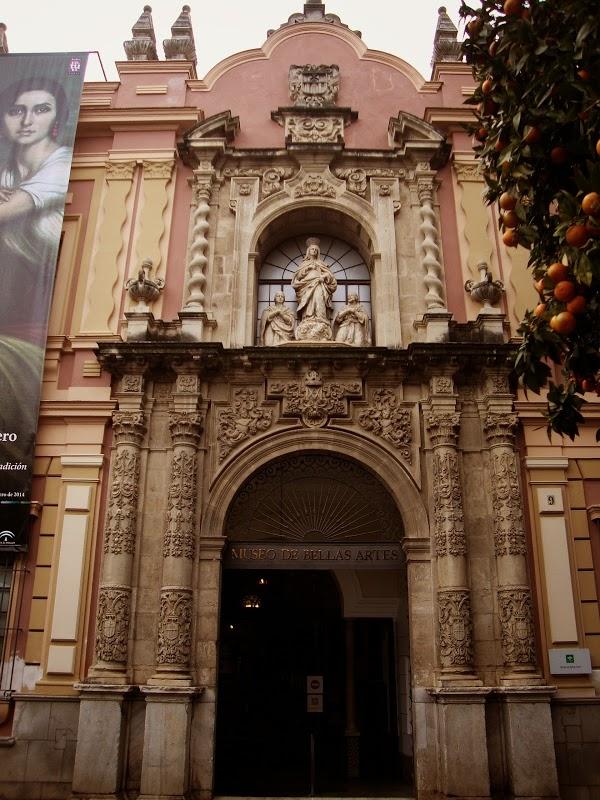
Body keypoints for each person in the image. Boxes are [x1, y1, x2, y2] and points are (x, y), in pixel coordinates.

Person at [0, 76, 72, 343]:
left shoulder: (61, 165)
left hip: (25, 330)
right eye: (16, 110)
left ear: (57, 118)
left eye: (42, 109)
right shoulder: (7, 173)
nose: (27, 121)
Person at [291, 238, 337, 324]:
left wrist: (323, 276)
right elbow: (298, 276)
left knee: (319, 298)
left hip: (319, 284)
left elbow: (330, 276)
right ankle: (308, 318)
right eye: (312, 249)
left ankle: (321, 318)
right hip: (306, 286)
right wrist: (308, 268)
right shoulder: (304, 264)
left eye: (316, 249)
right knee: (308, 301)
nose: (314, 251)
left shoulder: (322, 264)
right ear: (308, 251)